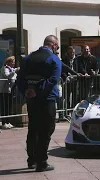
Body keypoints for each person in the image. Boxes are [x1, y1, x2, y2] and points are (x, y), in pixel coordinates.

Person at [16, 35, 62, 172]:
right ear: (53, 45)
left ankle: (32, 160)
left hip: (31, 100)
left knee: (33, 129)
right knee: (46, 129)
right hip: (47, 99)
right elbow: (53, 79)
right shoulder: (54, 59)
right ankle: (42, 162)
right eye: (57, 47)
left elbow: (20, 78)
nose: (57, 49)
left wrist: (27, 91)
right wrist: (38, 91)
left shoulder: (28, 58)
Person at [0, 56, 19, 129]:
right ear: (9, 62)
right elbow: (7, 75)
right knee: (4, 106)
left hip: (10, 90)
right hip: (4, 90)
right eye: (13, 61)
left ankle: (8, 121)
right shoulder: (5, 68)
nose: (14, 63)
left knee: (9, 106)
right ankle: (4, 122)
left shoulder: (11, 69)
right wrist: (14, 71)